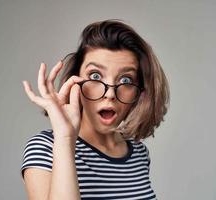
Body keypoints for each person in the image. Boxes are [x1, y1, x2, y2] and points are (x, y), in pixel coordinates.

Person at [21, 19, 169, 200]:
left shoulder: (139, 153)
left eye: (125, 80)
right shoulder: (45, 148)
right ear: (75, 82)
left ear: (139, 93)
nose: (111, 94)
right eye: (95, 75)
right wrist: (65, 140)